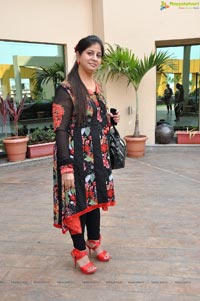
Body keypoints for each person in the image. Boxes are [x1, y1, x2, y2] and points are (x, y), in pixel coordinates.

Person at [52, 35, 120, 275]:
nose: (95, 58)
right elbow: (60, 129)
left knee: (94, 201)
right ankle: (79, 252)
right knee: (76, 204)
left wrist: (110, 121)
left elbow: (95, 121)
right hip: (74, 159)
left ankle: (94, 242)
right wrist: (65, 166)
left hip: (97, 158)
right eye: (90, 53)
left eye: (98, 55)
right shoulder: (66, 89)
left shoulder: (97, 87)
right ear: (78, 55)